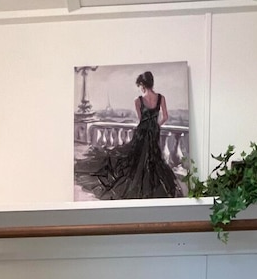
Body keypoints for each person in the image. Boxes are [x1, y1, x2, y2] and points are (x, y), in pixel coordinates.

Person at [75, 70, 183, 199]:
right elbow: (165, 117)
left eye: (140, 85)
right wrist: (156, 126)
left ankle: (141, 184)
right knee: (153, 158)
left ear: (142, 84)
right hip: (154, 132)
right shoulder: (161, 98)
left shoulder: (138, 101)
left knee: (137, 159)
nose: (140, 88)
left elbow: (140, 119)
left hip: (142, 132)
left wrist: (147, 125)